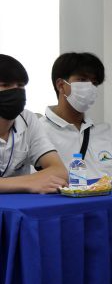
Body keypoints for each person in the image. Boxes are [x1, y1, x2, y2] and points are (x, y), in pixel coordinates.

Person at [40, 52, 112, 179]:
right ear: (61, 85)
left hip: (109, 191)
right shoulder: (39, 132)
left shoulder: (105, 131)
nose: (90, 87)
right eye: (82, 80)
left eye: (94, 83)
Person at [0, 54, 67, 193]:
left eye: (20, 85)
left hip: (21, 205)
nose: (16, 91)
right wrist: (29, 183)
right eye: (5, 85)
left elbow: (60, 171)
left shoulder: (28, 119)